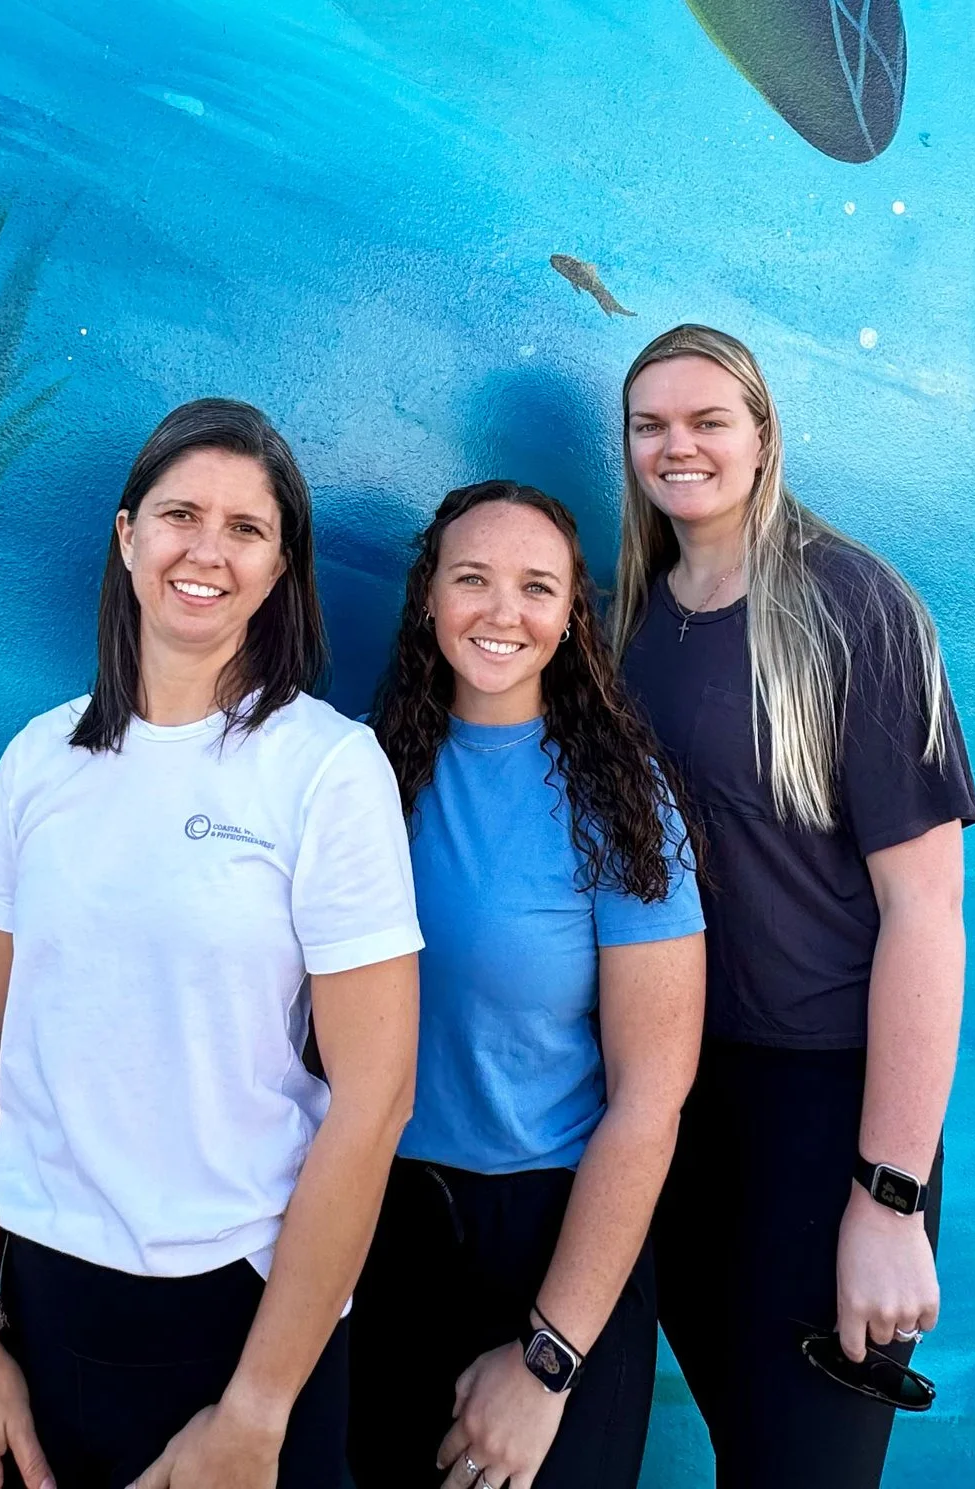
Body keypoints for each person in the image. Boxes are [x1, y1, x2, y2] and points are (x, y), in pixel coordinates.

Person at [0, 398, 422, 1489]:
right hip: (46, 1310)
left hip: (241, 1319)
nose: (207, 550)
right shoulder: (38, 760)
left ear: (283, 567)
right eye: (180, 514)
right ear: (126, 537)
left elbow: (375, 1097)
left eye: (246, 528)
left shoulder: (327, 771)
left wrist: (254, 1410)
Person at [610, 326, 975, 1488]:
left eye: (708, 419)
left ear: (763, 437)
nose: (679, 446)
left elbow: (926, 914)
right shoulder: (628, 621)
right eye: (650, 424)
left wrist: (886, 1198)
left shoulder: (851, 607)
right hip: (677, 1110)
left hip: (827, 1117)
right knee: (744, 1444)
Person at [353, 480, 706, 1489]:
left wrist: (548, 1361)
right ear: (428, 598)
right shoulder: (357, 775)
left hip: (554, 1252)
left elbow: (651, 1097)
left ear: (568, 620)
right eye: (473, 579)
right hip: (377, 1237)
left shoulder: (621, 802)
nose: (502, 611)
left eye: (536, 587)